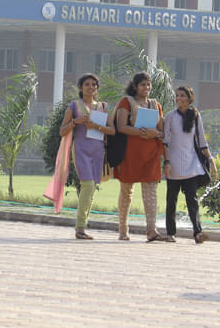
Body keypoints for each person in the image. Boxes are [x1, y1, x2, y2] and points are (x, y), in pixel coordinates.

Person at [58, 74, 115, 239]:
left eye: (94, 85)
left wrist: (96, 126)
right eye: (87, 84)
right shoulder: (74, 106)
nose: (91, 87)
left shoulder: (103, 107)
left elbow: (112, 130)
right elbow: (62, 131)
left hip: (97, 151)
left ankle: (82, 226)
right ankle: (80, 227)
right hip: (81, 149)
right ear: (80, 88)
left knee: (91, 188)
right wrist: (76, 122)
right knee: (88, 185)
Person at [114, 72, 165, 242]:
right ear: (135, 86)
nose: (146, 88)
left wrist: (155, 133)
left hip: (151, 155)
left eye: (148, 85)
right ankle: (123, 229)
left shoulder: (155, 104)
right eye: (143, 84)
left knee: (151, 193)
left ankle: (152, 231)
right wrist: (141, 132)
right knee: (127, 192)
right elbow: (121, 127)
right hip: (130, 154)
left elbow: (162, 130)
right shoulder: (126, 102)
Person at [163, 86, 217, 244]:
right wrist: (166, 162)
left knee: (192, 200)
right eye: (177, 95)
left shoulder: (195, 115)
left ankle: (198, 233)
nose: (178, 98)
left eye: (182, 96)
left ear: (189, 98)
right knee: (170, 200)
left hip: (191, 165)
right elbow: (165, 142)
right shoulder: (170, 116)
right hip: (173, 165)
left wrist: (211, 160)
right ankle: (170, 233)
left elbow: (202, 141)